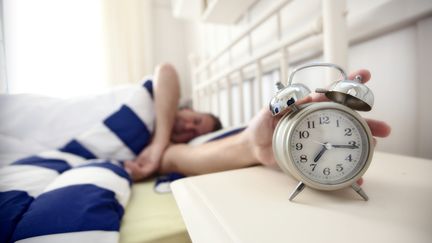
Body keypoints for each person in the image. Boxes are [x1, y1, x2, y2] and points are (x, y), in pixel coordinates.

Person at [126, 68, 391, 181]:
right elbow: (166, 71)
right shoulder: (158, 102)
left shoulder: (167, 153)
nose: (190, 129)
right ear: (187, 106)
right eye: (195, 120)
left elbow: (178, 158)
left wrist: (254, 146)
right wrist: (159, 142)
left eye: (195, 133)